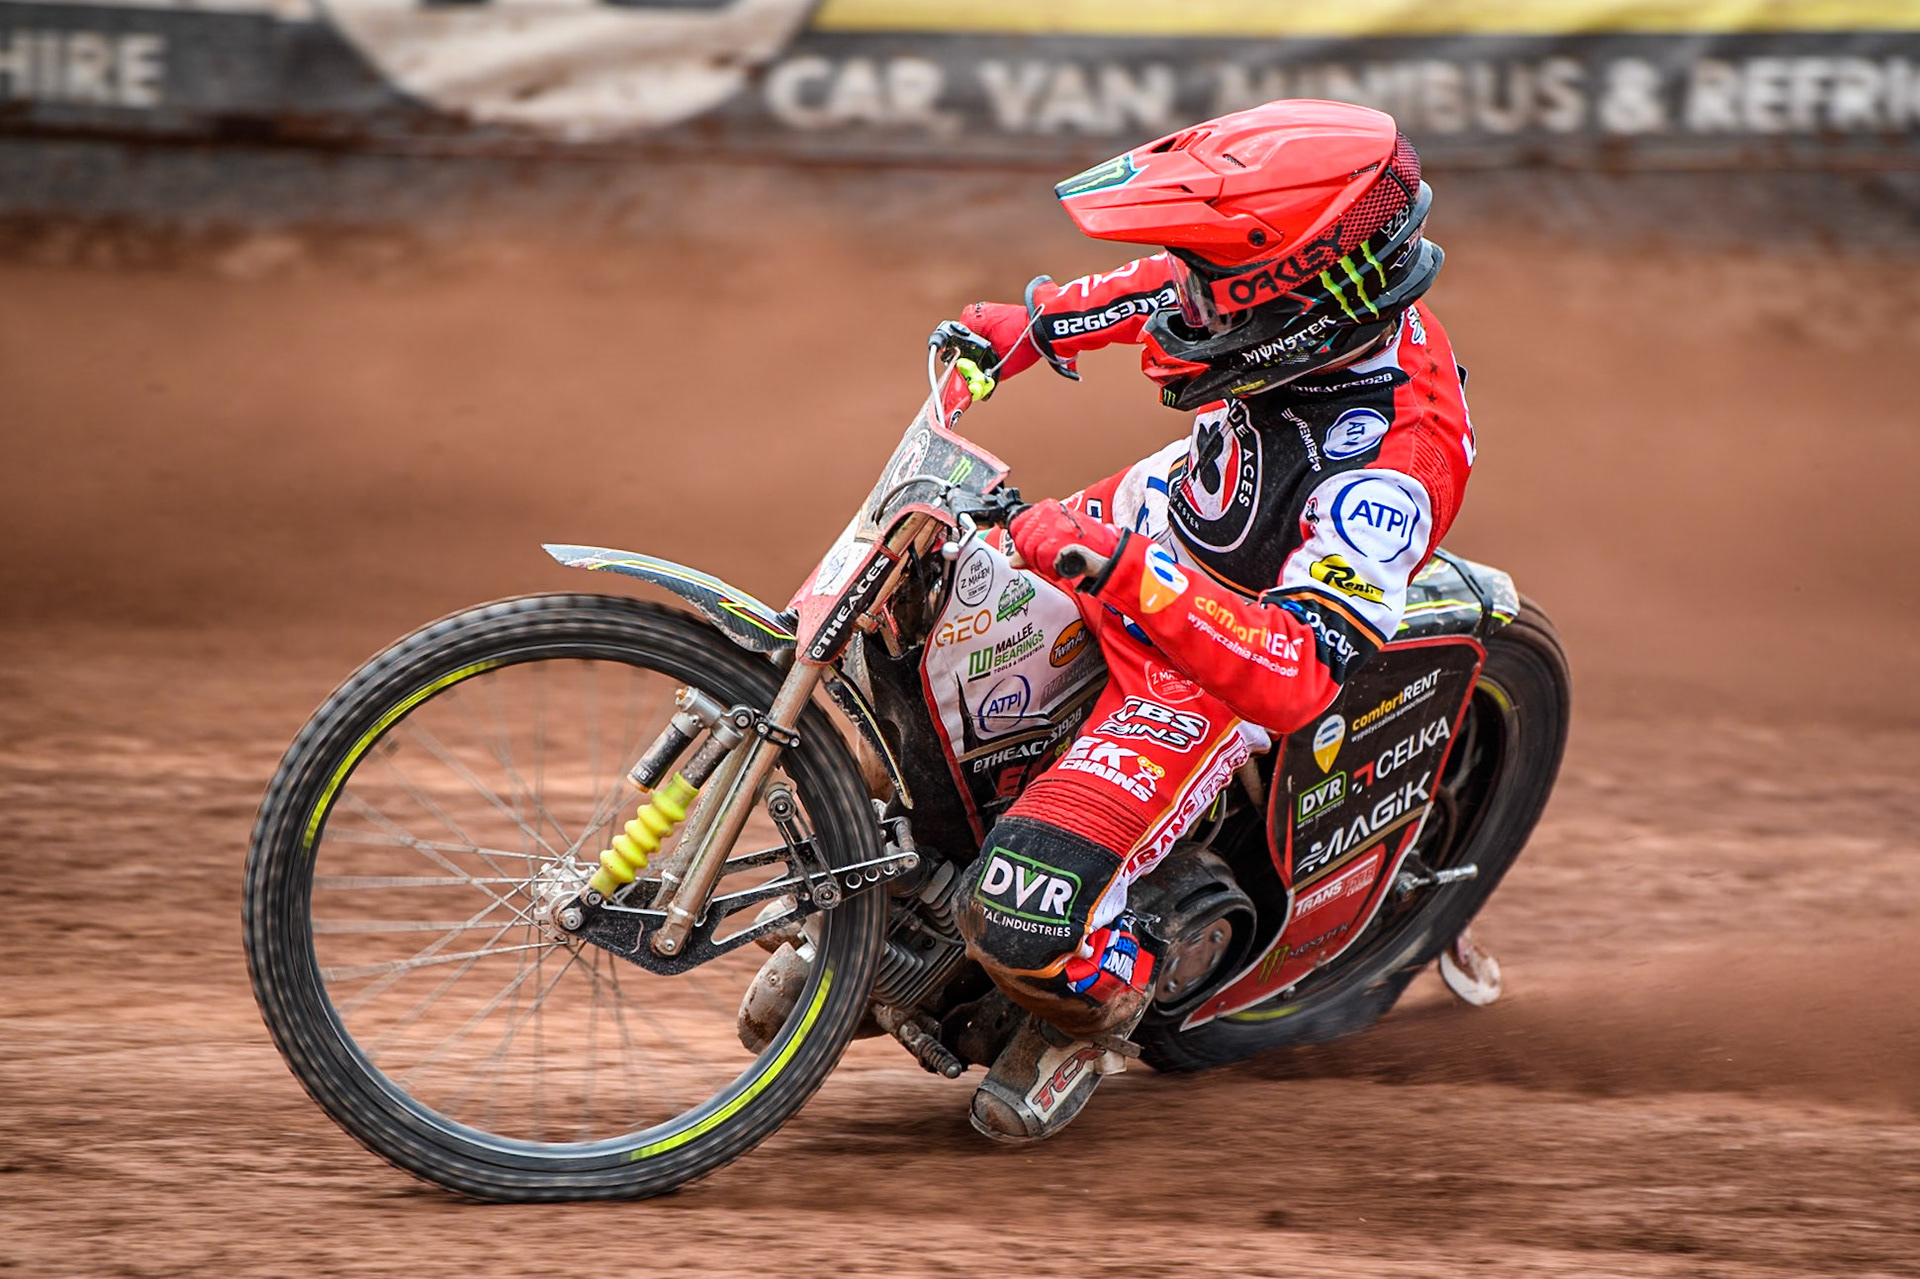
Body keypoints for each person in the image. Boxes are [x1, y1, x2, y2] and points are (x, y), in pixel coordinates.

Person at [936, 99, 1477, 1141]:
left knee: (1020, 914)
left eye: (1219, 298)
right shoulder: (1293, 303)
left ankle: (1092, 1012)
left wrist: (1127, 575)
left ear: (1299, 307)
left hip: (1211, 652)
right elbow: (1175, 286)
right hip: (1162, 518)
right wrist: (1031, 325)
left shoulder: (1392, 469)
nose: (1190, 311)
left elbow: (1299, 677)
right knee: (920, 616)